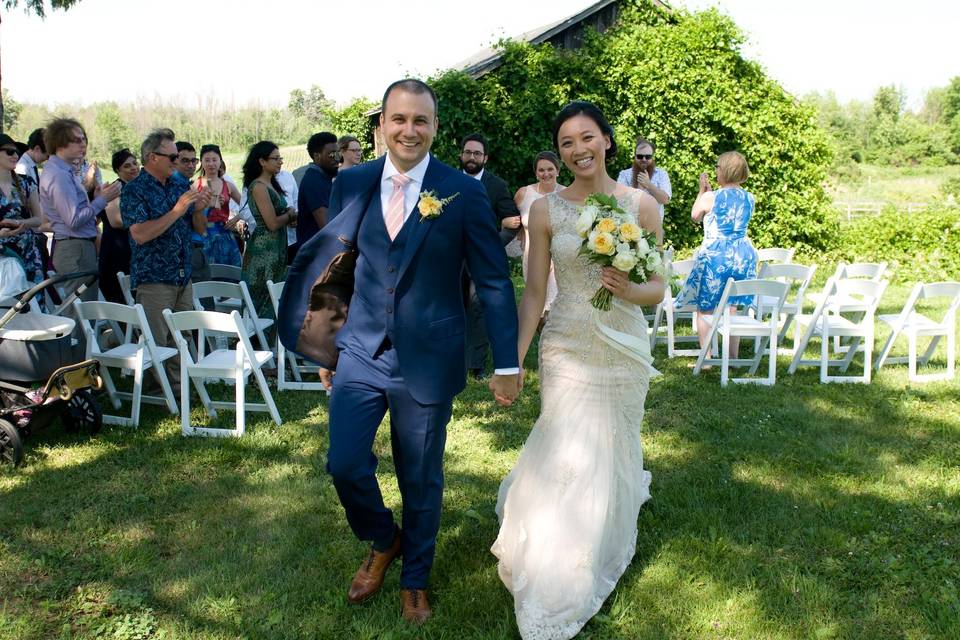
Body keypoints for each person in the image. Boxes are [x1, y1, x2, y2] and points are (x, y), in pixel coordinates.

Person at [277, 79, 520, 625]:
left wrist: (506, 362)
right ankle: (384, 539)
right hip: (360, 351)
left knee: (420, 475)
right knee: (343, 463)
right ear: (382, 124)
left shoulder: (462, 191)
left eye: (421, 121)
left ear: (435, 128)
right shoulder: (353, 182)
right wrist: (326, 350)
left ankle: (415, 578)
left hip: (429, 358)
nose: (409, 130)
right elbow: (337, 270)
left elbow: (494, 281)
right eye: (399, 119)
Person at [492, 101, 663, 640]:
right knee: (566, 449)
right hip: (566, 342)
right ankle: (554, 562)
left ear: (607, 141)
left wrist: (627, 288)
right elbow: (536, 293)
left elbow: (658, 287)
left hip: (624, 344)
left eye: (587, 137)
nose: (577, 149)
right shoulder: (544, 211)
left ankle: (596, 548)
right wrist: (511, 361)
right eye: (566, 142)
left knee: (613, 447)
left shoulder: (643, 204)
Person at [121, 128, 212, 393]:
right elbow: (140, 234)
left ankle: (175, 386)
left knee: (181, 335)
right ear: (152, 158)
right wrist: (177, 210)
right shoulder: (134, 190)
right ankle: (172, 392)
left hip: (183, 273)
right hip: (154, 276)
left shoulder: (179, 185)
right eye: (172, 157)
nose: (178, 163)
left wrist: (199, 208)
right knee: (157, 338)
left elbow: (199, 229)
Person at [675, 151, 758, 357]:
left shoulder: (711, 197)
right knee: (732, 307)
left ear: (725, 170)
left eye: (718, 168)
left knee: (705, 308)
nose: (716, 171)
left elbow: (695, 216)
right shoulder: (750, 197)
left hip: (716, 256)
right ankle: (733, 357)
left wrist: (702, 191)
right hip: (743, 255)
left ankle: (707, 356)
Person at [39, 118, 120, 303]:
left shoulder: (63, 171)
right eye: (76, 140)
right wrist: (102, 200)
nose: (83, 144)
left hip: (77, 245)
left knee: (84, 311)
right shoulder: (58, 174)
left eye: (83, 139)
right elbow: (73, 220)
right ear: (59, 143)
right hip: (74, 246)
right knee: (81, 313)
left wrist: (97, 196)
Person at [459, 132, 520, 379]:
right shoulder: (448, 181)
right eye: (468, 152)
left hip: (483, 259)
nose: (472, 157)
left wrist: (490, 245)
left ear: (485, 157)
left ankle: (477, 365)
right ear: (461, 154)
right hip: (449, 256)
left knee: (478, 307)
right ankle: (453, 360)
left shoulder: (497, 186)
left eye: (477, 153)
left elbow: (513, 223)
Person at [242, 140, 297, 312]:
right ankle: (259, 338)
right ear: (262, 161)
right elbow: (272, 223)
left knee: (275, 295)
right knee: (265, 296)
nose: (280, 161)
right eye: (275, 158)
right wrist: (289, 215)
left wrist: (289, 215)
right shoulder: (258, 187)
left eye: (280, 158)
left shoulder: (272, 184)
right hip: (264, 250)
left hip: (277, 246)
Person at [511, 150, 564, 315]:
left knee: (555, 304)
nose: (546, 173)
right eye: (541, 170)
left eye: (550, 169)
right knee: (537, 304)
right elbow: (510, 218)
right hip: (532, 256)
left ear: (558, 171)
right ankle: (540, 332)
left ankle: (553, 334)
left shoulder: (567, 194)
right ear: (536, 173)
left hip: (559, 256)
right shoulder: (524, 194)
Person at [0, 134, 45, 290]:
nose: (15, 156)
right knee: (8, 306)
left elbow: (39, 219)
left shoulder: (26, 182)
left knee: (34, 301)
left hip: (28, 251)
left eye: (17, 152)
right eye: (9, 152)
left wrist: (20, 223)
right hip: (3, 255)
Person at [97, 149, 139, 304]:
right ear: (117, 170)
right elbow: (116, 221)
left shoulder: (137, 187)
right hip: (117, 247)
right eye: (127, 166)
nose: (133, 168)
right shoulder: (115, 189)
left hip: (132, 246)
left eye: (135, 163)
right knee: (120, 294)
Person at [193, 144, 243, 267]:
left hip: (225, 234)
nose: (211, 164)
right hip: (203, 235)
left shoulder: (228, 186)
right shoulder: (195, 186)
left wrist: (236, 219)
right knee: (209, 275)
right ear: (202, 163)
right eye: (207, 160)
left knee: (230, 275)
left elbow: (247, 206)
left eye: (214, 160)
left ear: (220, 161)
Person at [296, 131, 338, 249]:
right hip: (316, 255)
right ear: (317, 156)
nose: (337, 158)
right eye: (331, 154)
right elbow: (326, 225)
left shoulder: (323, 178)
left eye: (337, 153)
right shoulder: (314, 181)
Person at [616, 137, 671, 222]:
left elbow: (665, 200)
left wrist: (648, 184)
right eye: (640, 156)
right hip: (629, 227)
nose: (644, 159)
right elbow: (620, 202)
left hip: (654, 228)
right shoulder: (624, 175)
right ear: (635, 156)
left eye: (648, 157)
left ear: (652, 157)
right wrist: (639, 189)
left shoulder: (661, 174)